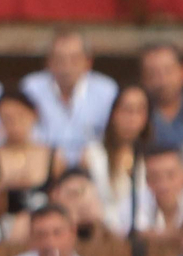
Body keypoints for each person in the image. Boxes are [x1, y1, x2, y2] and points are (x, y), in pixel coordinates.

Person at [20, 30, 119, 166]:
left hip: (91, 166)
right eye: (59, 59)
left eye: (74, 59)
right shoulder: (31, 88)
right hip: (45, 165)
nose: (66, 67)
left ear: (88, 62)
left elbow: (114, 134)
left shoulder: (106, 90)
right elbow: (25, 132)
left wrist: (92, 152)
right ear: (48, 62)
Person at [0, 91, 60, 233]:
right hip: (5, 227)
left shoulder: (54, 156)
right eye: (7, 118)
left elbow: (61, 201)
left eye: (20, 116)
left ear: (33, 114)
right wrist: (5, 187)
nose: (14, 123)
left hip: (46, 226)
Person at [81, 83, 151, 235]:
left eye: (139, 111)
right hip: (103, 233)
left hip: (146, 234)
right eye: (127, 110)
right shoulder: (93, 155)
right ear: (113, 113)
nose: (132, 118)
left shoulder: (152, 158)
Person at [139, 42, 183, 150]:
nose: (162, 80)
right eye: (152, 73)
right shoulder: (137, 112)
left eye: (168, 71)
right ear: (143, 78)